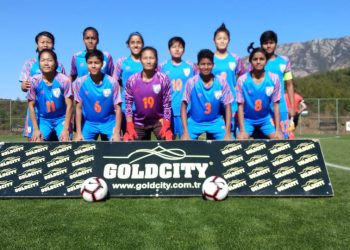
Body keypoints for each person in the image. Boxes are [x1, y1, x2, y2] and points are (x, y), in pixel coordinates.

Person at [19, 31, 66, 140]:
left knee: (58, 142)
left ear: (53, 45)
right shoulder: (29, 63)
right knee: (34, 141)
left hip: (57, 113)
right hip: (37, 111)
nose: (45, 44)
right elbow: (23, 85)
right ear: (37, 45)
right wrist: (24, 86)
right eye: (42, 42)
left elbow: (64, 87)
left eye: (48, 42)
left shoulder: (59, 65)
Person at [181, 49, 233, 140]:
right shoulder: (191, 82)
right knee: (185, 142)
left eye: (209, 64)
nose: (206, 67)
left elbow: (228, 106)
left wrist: (227, 132)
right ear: (198, 66)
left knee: (229, 143)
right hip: (195, 122)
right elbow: (183, 107)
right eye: (202, 64)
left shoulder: (221, 82)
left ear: (213, 65)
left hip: (215, 122)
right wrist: (185, 132)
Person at [123, 47, 173, 141]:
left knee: (167, 141)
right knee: (129, 142)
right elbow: (128, 104)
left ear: (156, 60)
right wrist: (129, 125)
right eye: (145, 58)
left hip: (158, 120)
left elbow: (167, 104)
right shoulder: (132, 80)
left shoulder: (163, 78)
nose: (148, 61)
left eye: (151, 58)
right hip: (139, 122)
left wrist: (166, 124)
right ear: (140, 60)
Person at [236, 44, 283, 140]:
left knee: (279, 139)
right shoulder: (242, 80)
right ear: (250, 61)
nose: (258, 62)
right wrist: (242, 130)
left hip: (265, 120)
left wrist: (278, 130)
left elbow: (276, 105)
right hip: (247, 120)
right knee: (240, 138)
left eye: (261, 59)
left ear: (266, 61)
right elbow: (240, 106)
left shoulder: (274, 79)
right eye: (255, 59)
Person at [73, 50, 122, 141]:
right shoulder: (79, 83)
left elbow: (118, 108)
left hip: (109, 123)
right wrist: (79, 132)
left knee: (116, 148)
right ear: (86, 64)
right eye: (90, 63)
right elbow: (78, 108)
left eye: (96, 63)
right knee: (82, 149)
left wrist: (116, 132)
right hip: (89, 123)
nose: (93, 65)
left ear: (102, 64)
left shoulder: (112, 82)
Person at [27, 49, 73, 142]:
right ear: (39, 63)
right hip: (43, 119)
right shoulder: (34, 81)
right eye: (43, 60)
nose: (46, 63)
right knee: (37, 142)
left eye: (49, 60)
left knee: (65, 142)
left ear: (56, 63)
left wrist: (65, 129)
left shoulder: (65, 80)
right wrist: (36, 129)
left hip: (61, 119)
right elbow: (31, 106)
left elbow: (70, 105)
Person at [159, 36, 197, 139]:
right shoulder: (162, 67)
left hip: (185, 113)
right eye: (174, 47)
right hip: (167, 112)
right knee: (167, 146)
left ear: (184, 49)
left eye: (180, 47)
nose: (177, 49)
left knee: (185, 145)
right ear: (169, 49)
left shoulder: (190, 67)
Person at [260, 30, 295, 139]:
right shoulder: (258, 61)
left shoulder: (284, 61)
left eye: (271, 42)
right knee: (263, 142)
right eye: (265, 43)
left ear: (276, 43)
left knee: (283, 140)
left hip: (281, 108)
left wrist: (292, 107)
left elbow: (289, 85)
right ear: (261, 45)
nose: (268, 46)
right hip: (262, 109)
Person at [212, 23, 245, 135]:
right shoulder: (209, 59)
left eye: (225, 38)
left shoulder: (235, 58)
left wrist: (239, 95)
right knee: (214, 135)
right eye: (219, 38)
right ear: (214, 40)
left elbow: (243, 78)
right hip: (214, 102)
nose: (222, 41)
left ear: (229, 40)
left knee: (231, 135)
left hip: (232, 103)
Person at [113, 32, 145, 132]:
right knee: (126, 140)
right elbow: (114, 83)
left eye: (138, 42)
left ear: (143, 44)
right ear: (128, 45)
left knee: (142, 143)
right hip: (125, 108)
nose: (136, 45)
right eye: (133, 42)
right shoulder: (121, 62)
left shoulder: (148, 61)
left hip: (144, 108)